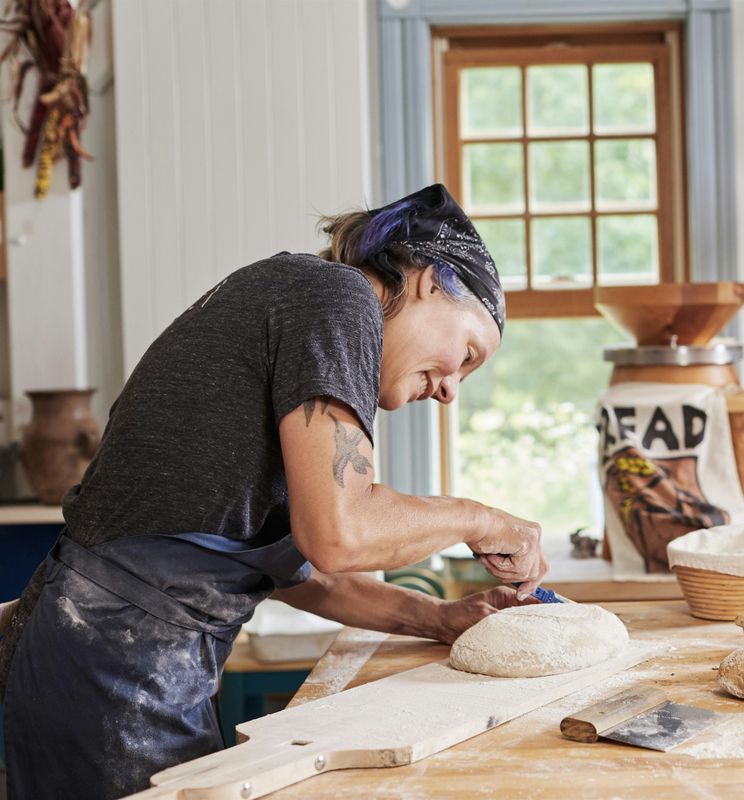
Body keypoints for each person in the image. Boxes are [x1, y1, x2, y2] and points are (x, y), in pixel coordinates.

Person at [0, 184, 548, 799]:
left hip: (112, 658)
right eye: (467, 354)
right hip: (105, 667)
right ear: (427, 280)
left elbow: (308, 569)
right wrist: (478, 518)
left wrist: (439, 618)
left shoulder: (303, 302)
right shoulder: (338, 296)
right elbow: (341, 534)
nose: (452, 390)